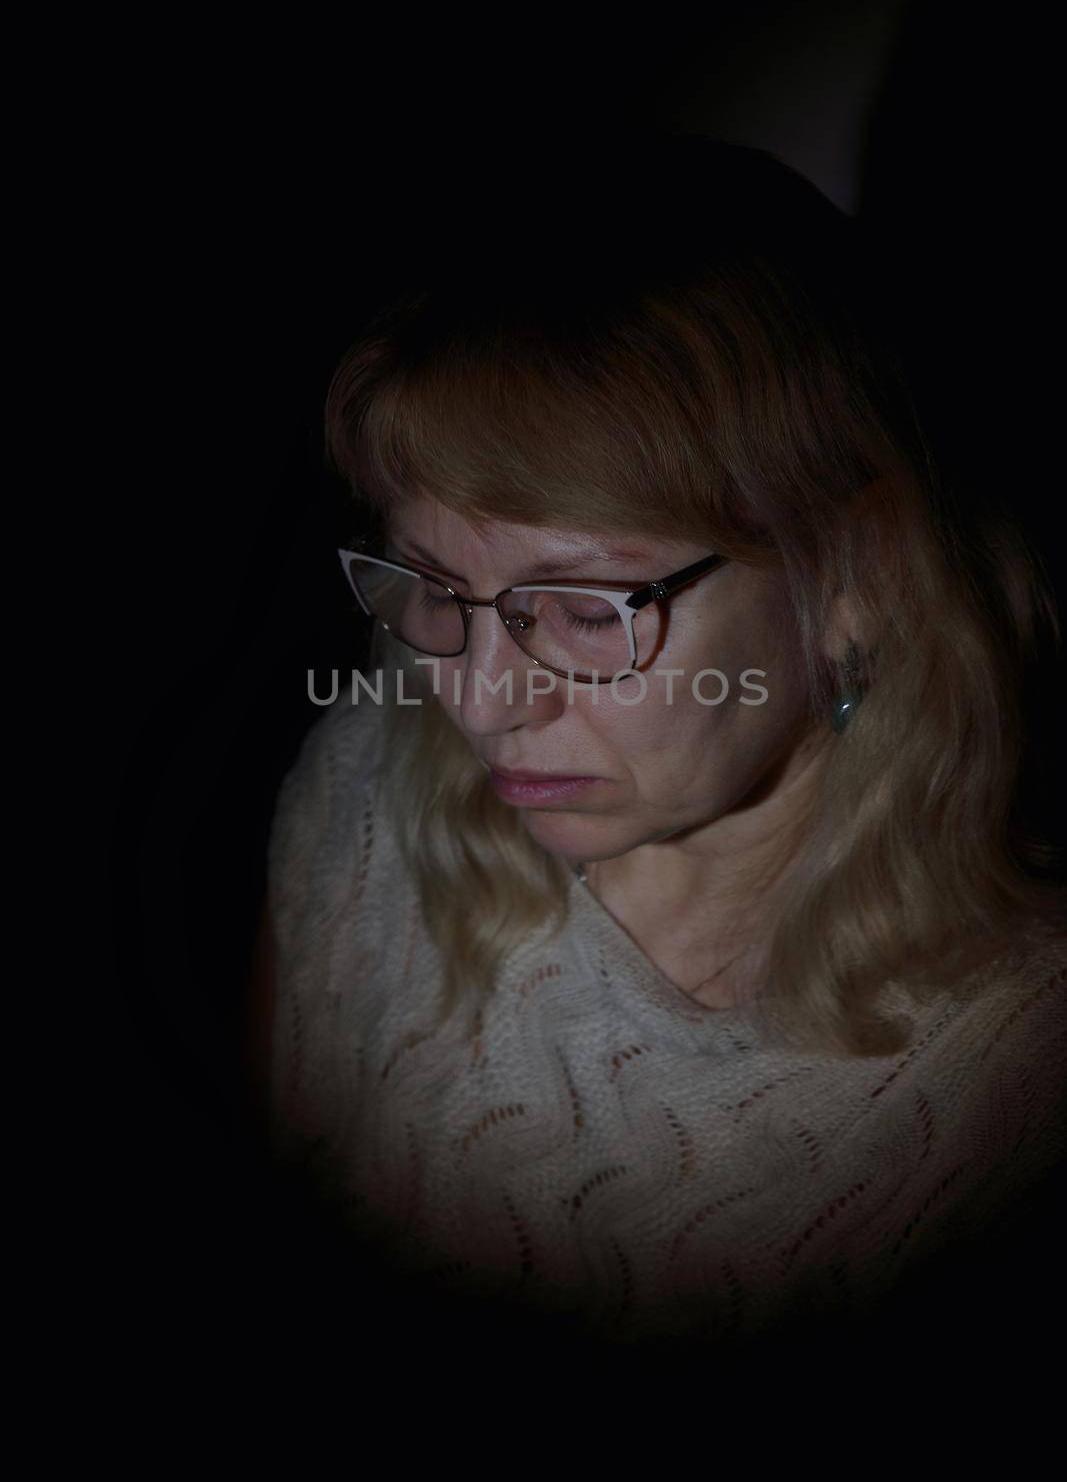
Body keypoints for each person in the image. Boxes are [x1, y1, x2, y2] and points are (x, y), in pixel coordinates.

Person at [248, 132, 1067, 1355]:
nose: (476, 700)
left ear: (858, 576)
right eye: (427, 583)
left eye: (584, 609)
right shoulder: (370, 782)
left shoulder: (1011, 1083)